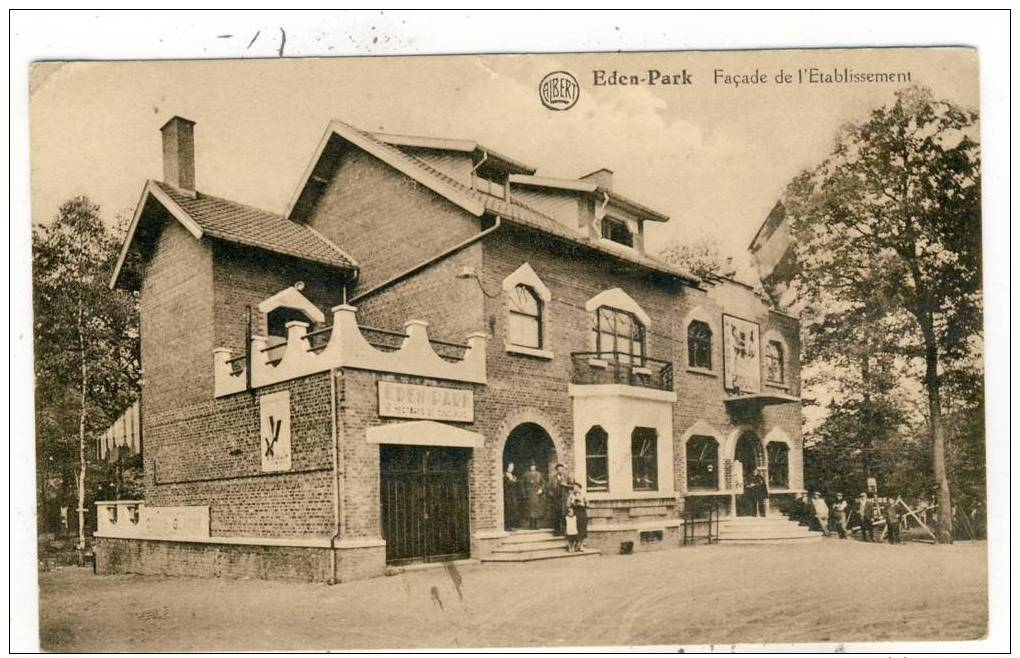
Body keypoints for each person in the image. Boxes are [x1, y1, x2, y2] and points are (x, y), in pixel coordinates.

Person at [548, 463, 571, 535]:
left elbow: (573, 486)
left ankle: (565, 531)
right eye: (558, 469)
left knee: (564, 515)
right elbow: (549, 488)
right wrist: (552, 495)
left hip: (564, 499)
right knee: (556, 515)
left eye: (561, 469)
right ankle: (557, 531)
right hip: (556, 500)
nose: (560, 471)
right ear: (556, 470)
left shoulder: (567, 477)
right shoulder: (553, 478)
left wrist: (566, 485)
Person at [521, 463, 545, 530]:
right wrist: (524, 493)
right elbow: (522, 484)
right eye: (531, 466)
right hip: (529, 494)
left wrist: (541, 489)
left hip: (537, 494)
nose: (532, 467)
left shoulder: (539, 474)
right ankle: (531, 524)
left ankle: (536, 524)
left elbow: (543, 483)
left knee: (537, 509)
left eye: (533, 466)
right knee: (530, 510)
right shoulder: (526, 474)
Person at [567, 481, 588, 551]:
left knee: (582, 529)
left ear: (579, 488)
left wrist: (582, 504)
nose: (575, 489)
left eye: (576, 487)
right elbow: (567, 505)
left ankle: (580, 545)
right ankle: (574, 545)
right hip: (575, 513)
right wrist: (572, 503)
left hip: (582, 512)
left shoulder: (583, 495)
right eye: (574, 487)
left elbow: (588, 504)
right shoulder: (571, 496)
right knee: (575, 529)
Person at [503, 462, 519, 531]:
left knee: (513, 510)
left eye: (512, 467)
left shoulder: (512, 475)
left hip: (513, 495)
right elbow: (505, 485)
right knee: (508, 510)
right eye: (510, 467)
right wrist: (512, 481)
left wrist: (514, 481)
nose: (511, 468)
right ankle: (507, 526)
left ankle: (512, 525)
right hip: (507, 495)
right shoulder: (504, 475)